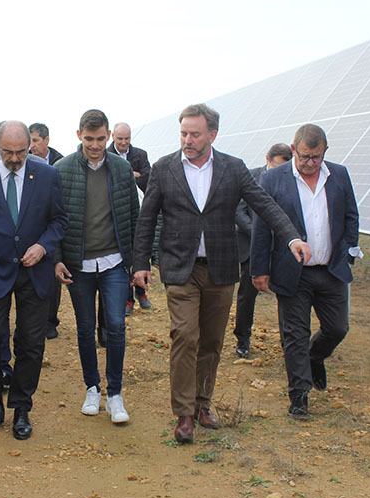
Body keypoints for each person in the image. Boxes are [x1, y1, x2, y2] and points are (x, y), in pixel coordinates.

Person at [132, 103, 310, 444]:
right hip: (180, 268)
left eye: (195, 134)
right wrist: (140, 263)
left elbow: (264, 205)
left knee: (212, 341)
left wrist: (291, 237)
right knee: (185, 336)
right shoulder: (164, 167)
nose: (187, 139)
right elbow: (147, 218)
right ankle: (184, 414)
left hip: (221, 269)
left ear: (212, 134)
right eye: (183, 133)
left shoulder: (233, 168)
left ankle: (202, 403)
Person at [0, 121, 68, 440]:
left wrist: (43, 245)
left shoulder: (47, 176)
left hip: (35, 271)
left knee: (31, 343)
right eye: (9, 152)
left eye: (22, 151)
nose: (16, 158)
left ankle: (21, 407)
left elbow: (59, 220)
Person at [251, 124, 360, 420]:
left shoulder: (339, 175)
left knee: (337, 328)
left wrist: (348, 251)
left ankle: (316, 356)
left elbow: (351, 216)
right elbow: (262, 227)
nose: (310, 163)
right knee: (294, 335)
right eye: (304, 157)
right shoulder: (273, 179)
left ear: (325, 151)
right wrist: (259, 269)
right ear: (294, 150)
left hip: (331, 270)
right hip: (291, 271)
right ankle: (299, 395)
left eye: (316, 157)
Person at [54, 110, 140, 424]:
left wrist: (138, 261)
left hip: (115, 262)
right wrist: (57, 258)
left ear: (107, 136)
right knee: (85, 328)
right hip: (79, 265)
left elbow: (134, 214)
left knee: (115, 326)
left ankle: (115, 394)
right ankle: (92, 387)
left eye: (100, 139)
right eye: (89, 139)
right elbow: (53, 218)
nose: (95, 145)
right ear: (79, 135)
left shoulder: (121, 168)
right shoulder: (61, 170)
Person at [233, 143, 292, 358]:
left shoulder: (292, 179)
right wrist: (260, 234)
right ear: (267, 158)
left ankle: (289, 342)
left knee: (287, 295)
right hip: (252, 246)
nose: (278, 172)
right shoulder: (250, 176)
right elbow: (238, 211)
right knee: (247, 295)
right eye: (275, 166)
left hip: (281, 247)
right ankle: (243, 339)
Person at [107, 122, 153, 315]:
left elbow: (148, 178)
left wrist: (131, 177)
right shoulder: (107, 154)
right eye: (120, 139)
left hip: (139, 208)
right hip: (116, 211)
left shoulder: (140, 155)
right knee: (123, 255)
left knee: (140, 248)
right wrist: (133, 175)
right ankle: (128, 299)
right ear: (113, 138)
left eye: (127, 138)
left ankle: (141, 291)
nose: (124, 142)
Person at [26, 122, 63, 339]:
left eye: (36, 140)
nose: (32, 146)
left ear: (47, 140)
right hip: (30, 226)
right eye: (29, 141)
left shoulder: (60, 163)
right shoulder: (23, 161)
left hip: (52, 227)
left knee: (51, 274)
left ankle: (50, 320)